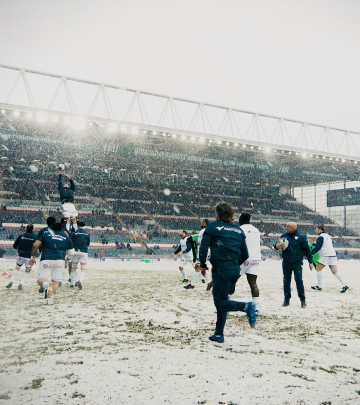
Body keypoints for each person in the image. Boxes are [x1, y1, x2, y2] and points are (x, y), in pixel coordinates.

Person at [198, 202, 256, 343]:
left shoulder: (212, 227)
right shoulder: (238, 230)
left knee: (220, 302)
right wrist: (234, 264)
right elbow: (245, 254)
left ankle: (246, 306)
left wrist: (203, 264)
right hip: (234, 269)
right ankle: (218, 334)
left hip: (220, 268)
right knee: (223, 299)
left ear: (217, 213)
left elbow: (203, 249)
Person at [29, 222, 74, 304]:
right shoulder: (66, 238)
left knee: (41, 280)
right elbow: (72, 253)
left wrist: (32, 257)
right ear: (61, 229)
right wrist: (67, 259)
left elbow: (35, 245)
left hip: (46, 258)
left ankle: (46, 285)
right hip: (60, 260)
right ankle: (50, 299)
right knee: (56, 281)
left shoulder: (45, 235)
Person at [274, 222, 313, 308]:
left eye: (288, 226)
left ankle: (302, 300)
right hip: (286, 263)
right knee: (286, 281)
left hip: (297, 263)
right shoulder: (283, 236)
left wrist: (310, 262)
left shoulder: (301, 238)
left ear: (293, 228)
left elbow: (307, 250)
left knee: (299, 281)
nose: (286, 227)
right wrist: (277, 246)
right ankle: (286, 300)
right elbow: (276, 246)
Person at [310, 225, 349, 293]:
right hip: (333, 255)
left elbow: (318, 247)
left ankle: (319, 285)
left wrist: (311, 253)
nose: (315, 230)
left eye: (316, 229)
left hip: (326, 255)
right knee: (334, 271)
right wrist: (314, 244)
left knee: (318, 268)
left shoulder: (320, 237)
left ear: (320, 229)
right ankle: (344, 284)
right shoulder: (327, 236)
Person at [239, 213, 261, 313]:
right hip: (256, 258)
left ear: (241, 219)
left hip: (245, 257)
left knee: (231, 280)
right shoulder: (256, 230)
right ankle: (256, 307)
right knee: (253, 283)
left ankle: (228, 303)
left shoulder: (241, 229)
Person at [6, 224, 37, 290]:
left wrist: (19, 249)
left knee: (17, 268)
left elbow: (14, 246)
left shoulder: (21, 236)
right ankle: (21, 283)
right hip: (29, 256)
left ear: (26, 229)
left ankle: (11, 281)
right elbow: (36, 246)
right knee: (27, 270)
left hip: (21, 255)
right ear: (33, 229)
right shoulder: (35, 237)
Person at [186, 221, 212, 290]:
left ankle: (192, 284)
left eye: (203, 222)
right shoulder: (203, 231)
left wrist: (200, 243)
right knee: (201, 267)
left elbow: (209, 240)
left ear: (206, 223)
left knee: (198, 266)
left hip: (203, 251)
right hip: (201, 250)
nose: (201, 223)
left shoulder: (206, 231)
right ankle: (209, 282)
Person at [70, 220, 90, 290]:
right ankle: (80, 280)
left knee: (74, 267)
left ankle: (72, 283)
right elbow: (87, 244)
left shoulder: (73, 233)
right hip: (84, 252)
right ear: (84, 226)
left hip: (75, 251)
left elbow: (71, 242)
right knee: (83, 268)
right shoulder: (87, 234)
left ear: (78, 226)